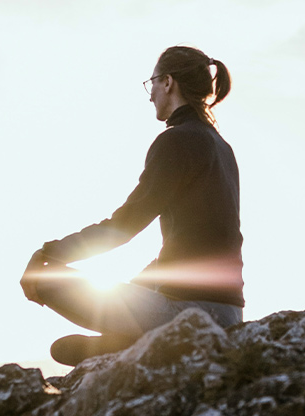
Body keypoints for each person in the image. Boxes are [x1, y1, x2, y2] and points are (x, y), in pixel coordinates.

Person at [20, 45, 244, 366]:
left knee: (44, 278)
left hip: (192, 315)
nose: (150, 93)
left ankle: (134, 344)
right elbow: (200, 242)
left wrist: (48, 253)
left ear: (168, 82)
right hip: (229, 313)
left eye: (152, 83)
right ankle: (131, 343)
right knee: (130, 290)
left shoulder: (177, 140)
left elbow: (123, 226)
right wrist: (140, 284)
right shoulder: (221, 147)